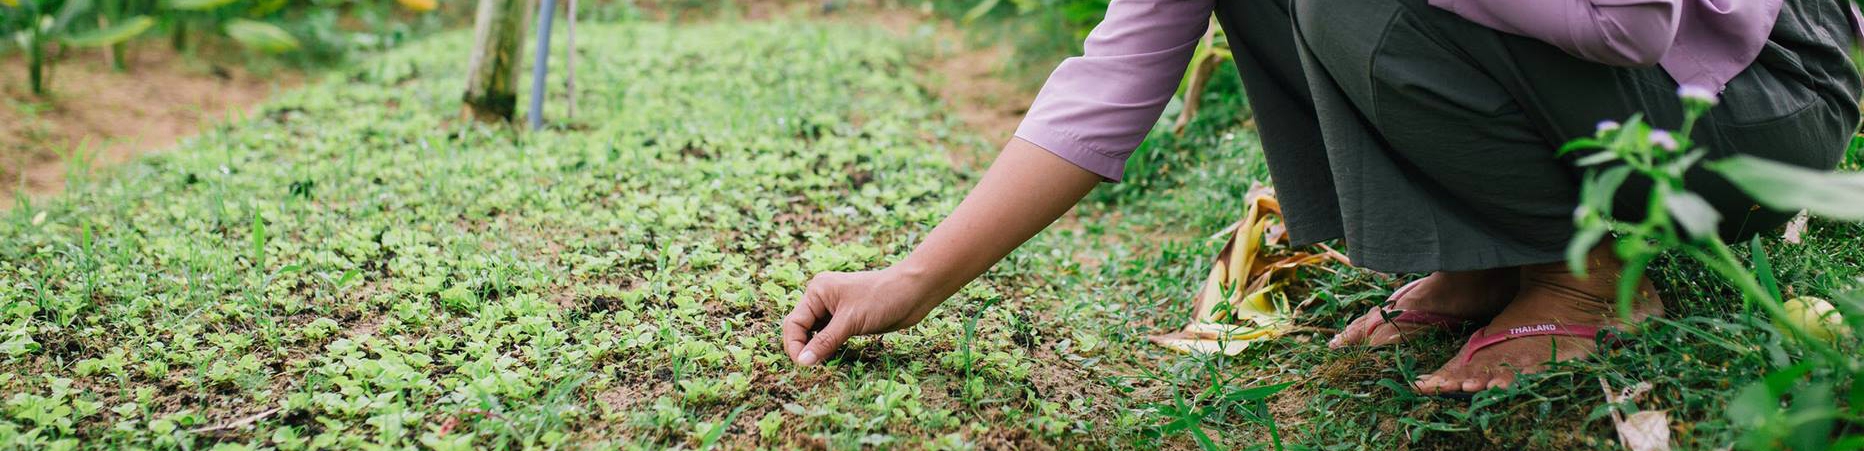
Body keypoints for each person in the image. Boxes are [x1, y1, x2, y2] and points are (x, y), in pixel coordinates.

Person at [780, 0, 1862, 395]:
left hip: (1760, 96)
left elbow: (1631, 26)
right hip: (1624, 88)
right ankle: (1492, 252)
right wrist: (912, 282)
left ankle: (1587, 278)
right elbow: (1108, 84)